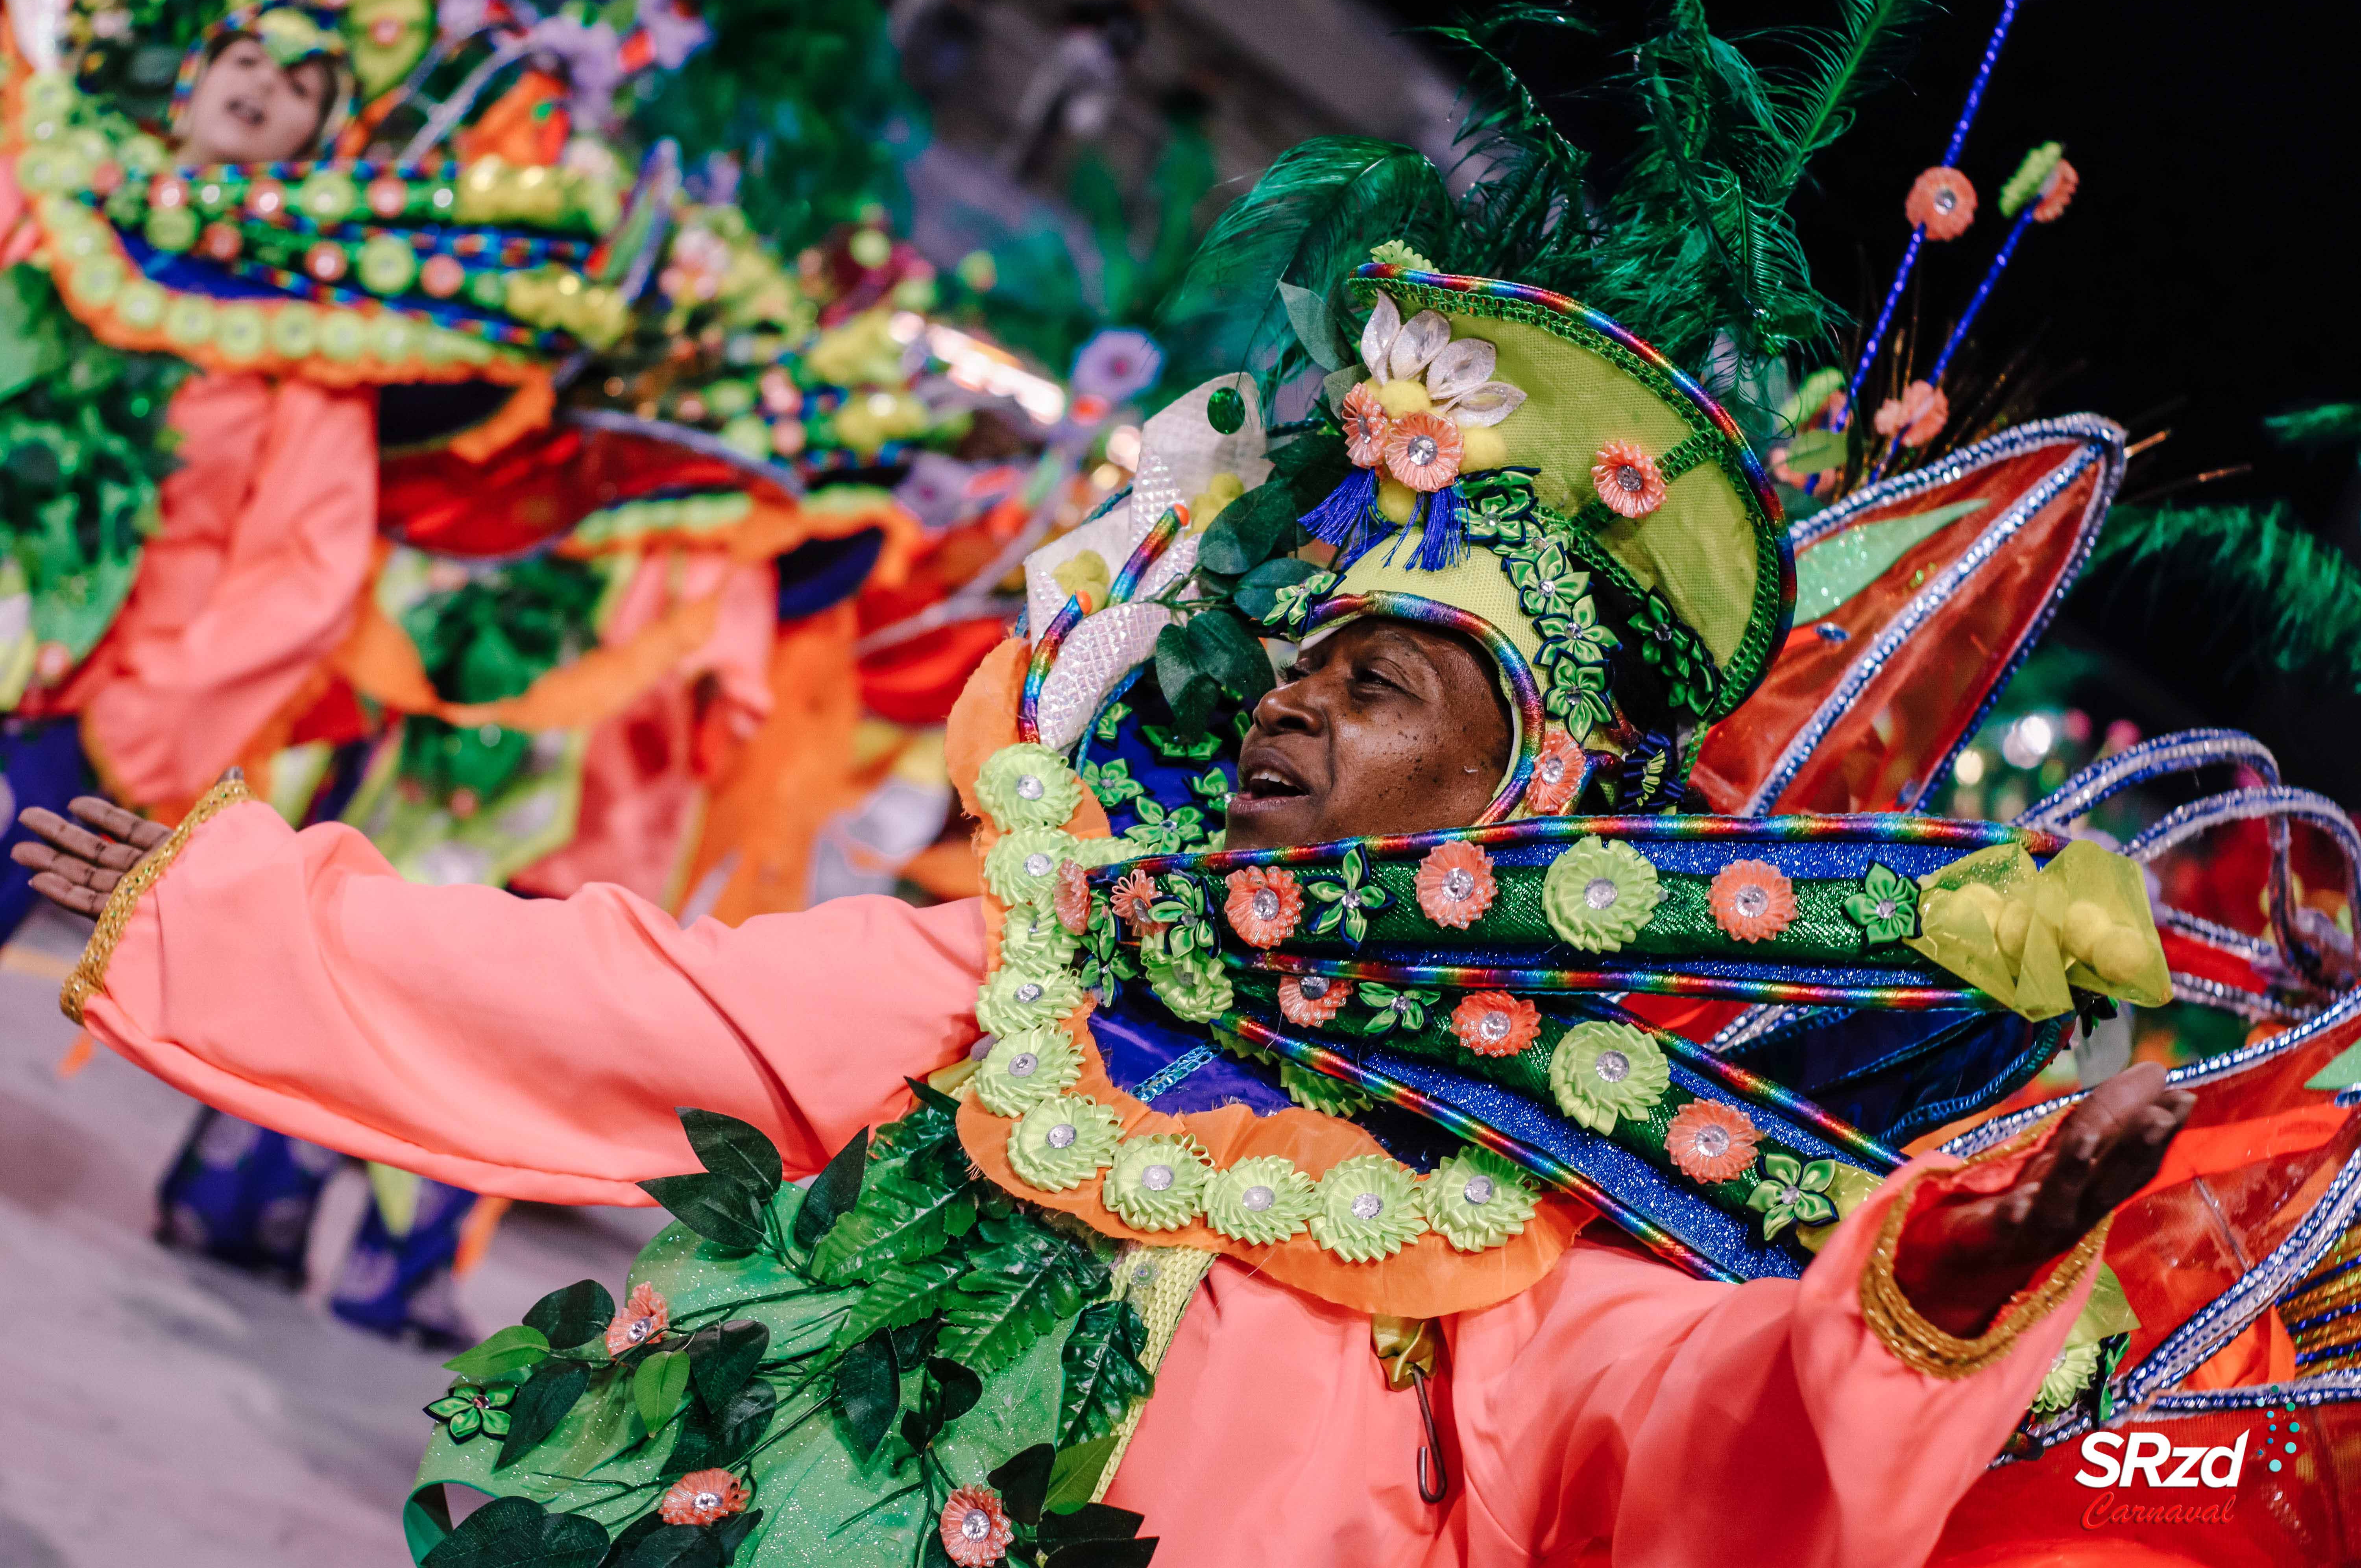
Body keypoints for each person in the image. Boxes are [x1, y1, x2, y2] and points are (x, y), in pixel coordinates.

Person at [12, 248, 2201, 1562]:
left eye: (1380, 686)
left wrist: (1942, 1276)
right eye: (1297, 660)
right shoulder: (1037, 979)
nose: (1288, 706)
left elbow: (1682, 1442)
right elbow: (636, 992)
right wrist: (244, 912)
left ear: (1523, 786)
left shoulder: (1518, 1189)